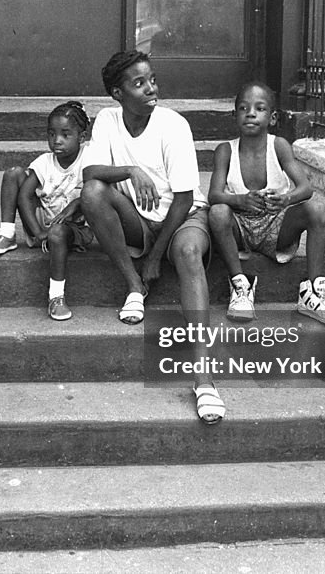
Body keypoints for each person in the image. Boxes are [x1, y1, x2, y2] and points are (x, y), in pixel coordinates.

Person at [80, 50, 224, 424]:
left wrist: (157, 257)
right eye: (139, 83)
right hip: (139, 218)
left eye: (153, 80)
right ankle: (133, 287)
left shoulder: (173, 125)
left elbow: (184, 199)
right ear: (117, 93)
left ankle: (204, 380)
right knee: (94, 192)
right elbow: (90, 171)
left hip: (184, 216)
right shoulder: (108, 121)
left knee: (190, 253)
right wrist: (130, 170)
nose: (151, 89)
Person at [207, 82, 325, 326]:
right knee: (218, 213)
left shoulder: (279, 146)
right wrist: (239, 200)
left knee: (317, 210)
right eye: (243, 108)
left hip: (276, 226)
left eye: (259, 108)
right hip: (239, 228)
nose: (250, 113)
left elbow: (306, 188)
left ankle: (313, 291)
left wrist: (286, 199)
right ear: (234, 115)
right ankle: (240, 285)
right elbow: (214, 196)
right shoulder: (225, 151)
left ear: (272, 117)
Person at [0, 101, 94, 320]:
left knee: (59, 232)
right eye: (51, 134)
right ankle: (7, 234)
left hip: (75, 229)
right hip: (45, 222)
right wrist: (37, 232)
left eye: (65, 134)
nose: (57, 140)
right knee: (14, 173)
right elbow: (24, 194)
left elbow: (95, 191)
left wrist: (76, 205)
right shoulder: (44, 161)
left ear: (81, 138)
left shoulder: (89, 158)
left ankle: (56, 297)